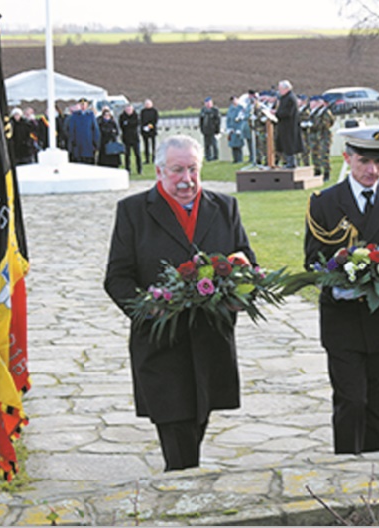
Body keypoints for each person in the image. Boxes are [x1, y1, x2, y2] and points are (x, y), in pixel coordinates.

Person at [104, 135, 255, 471]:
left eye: (193, 169)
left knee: (198, 417)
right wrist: (149, 306)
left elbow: (246, 262)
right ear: (159, 171)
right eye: (177, 171)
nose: (186, 180)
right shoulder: (132, 212)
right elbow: (117, 278)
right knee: (176, 427)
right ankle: (184, 489)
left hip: (210, 340)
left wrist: (240, 296)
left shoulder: (224, 208)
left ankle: (185, 486)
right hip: (161, 344)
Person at [303, 123, 379, 455]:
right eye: (364, 162)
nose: (372, 170)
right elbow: (313, 259)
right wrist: (340, 272)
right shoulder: (325, 202)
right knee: (351, 401)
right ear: (348, 158)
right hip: (343, 322)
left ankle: (373, 465)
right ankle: (346, 468)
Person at [275, 80, 304, 169]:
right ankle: (287, 162)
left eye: (280, 89)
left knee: (289, 144)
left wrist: (276, 113)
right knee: (285, 144)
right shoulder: (284, 98)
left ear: (286, 88)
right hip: (284, 126)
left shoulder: (290, 98)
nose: (279, 90)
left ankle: (291, 163)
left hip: (289, 126)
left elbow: (287, 112)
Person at [66, 98, 100, 165]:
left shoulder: (90, 115)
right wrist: (72, 143)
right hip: (78, 144)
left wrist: (96, 143)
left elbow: (95, 129)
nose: (83, 106)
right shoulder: (75, 115)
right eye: (81, 104)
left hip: (88, 143)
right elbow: (72, 130)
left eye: (84, 104)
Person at [311, 96, 335, 182]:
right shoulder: (316, 112)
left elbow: (326, 124)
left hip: (324, 137)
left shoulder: (326, 112)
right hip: (316, 137)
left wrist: (313, 125)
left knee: (323, 155)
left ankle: (326, 173)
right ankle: (317, 171)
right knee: (315, 154)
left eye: (318, 102)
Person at [119, 103, 142, 175]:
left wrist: (128, 123)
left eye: (130, 109)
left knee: (137, 154)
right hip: (126, 138)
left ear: (132, 109)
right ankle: (127, 170)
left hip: (135, 138)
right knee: (127, 155)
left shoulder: (136, 115)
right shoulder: (122, 116)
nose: (129, 110)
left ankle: (139, 169)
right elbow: (122, 126)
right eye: (127, 109)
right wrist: (128, 124)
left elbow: (135, 124)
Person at [225, 96, 246, 164]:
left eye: (235, 100)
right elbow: (228, 119)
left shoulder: (241, 108)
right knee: (233, 145)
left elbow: (242, 119)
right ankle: (235, 159)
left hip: (238, 129)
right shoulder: (230, 109)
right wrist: (228, 128)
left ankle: (240, 159)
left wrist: (240, 129)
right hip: (232, 129)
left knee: (239, 145)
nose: (234, 101)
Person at [199, 97, 221, 162]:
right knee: (207, 144)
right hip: (205, 130)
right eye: (206, 103)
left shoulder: (215, 110)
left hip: (213, 130)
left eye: (209, 103)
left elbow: (218, 120)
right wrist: (201, 129)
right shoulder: (203, 110)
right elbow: (201, 120)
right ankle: (208, 156)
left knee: (214, 144)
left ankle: (215, 156)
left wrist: (217, 129)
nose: (208, 104)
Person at [140, 99, 159, 164]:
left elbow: (155, 120)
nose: (147, 105)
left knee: (153, 145)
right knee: (146, 145)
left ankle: (154, 158)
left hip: (152, 130)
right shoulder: (143, 111)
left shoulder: (154, 111)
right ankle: (147, 159)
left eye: (148, 104)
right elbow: (141, 120)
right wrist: (144, 127)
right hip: (145, 131)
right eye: (146, 104)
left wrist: (150, 126)